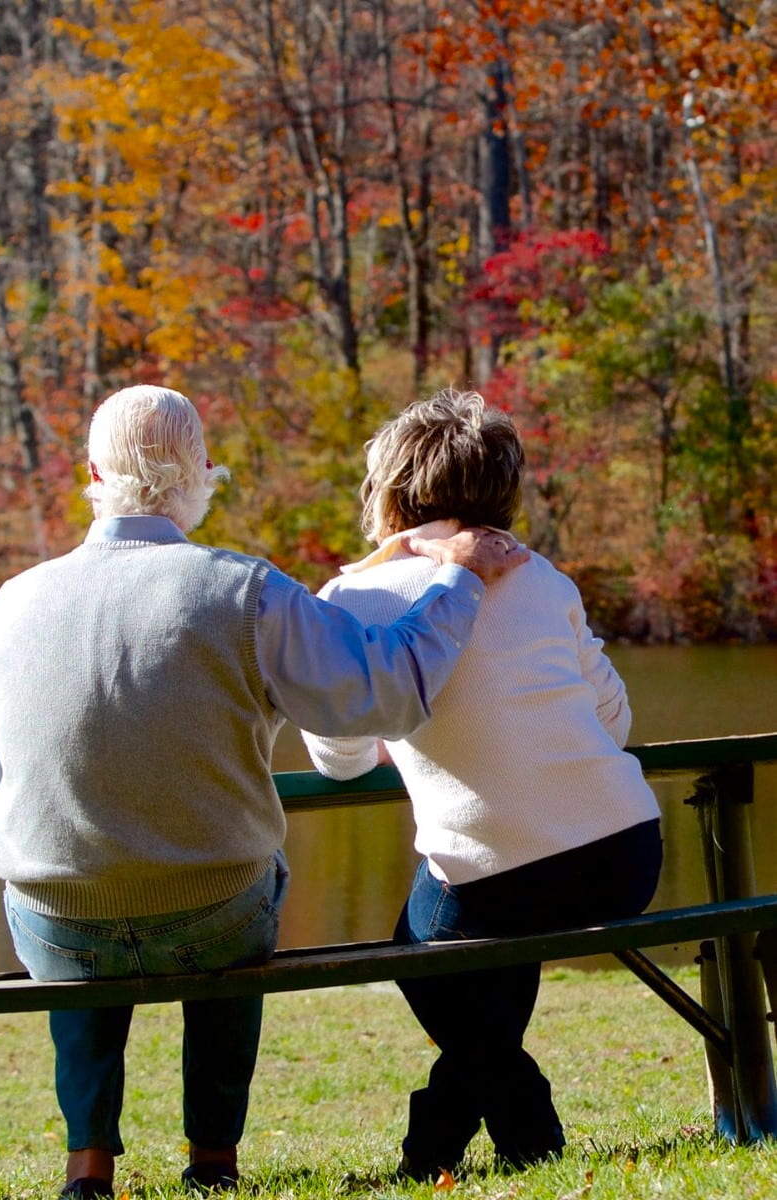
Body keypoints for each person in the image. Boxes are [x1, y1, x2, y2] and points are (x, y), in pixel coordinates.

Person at [0, 384, 528, 1200]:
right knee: (239, 882)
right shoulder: (245, 592)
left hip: (58, 925)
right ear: (203, 473)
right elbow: (382, 691)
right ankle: (213, 1158)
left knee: (77, 898)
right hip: (214, 914)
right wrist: (461, 582)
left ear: (89, 472)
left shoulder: (14, 603)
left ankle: (88, 1166)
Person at [302, 388, 663, 1179]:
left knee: (419, 948)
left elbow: (340, 757)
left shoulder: (355, 597)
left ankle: (525, 1130)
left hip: (502, 875)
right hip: (629, 854)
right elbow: (613, 722)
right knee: (491, 958)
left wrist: (409, 735)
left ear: (390, 490)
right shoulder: (542, 578)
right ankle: (434, 1147)